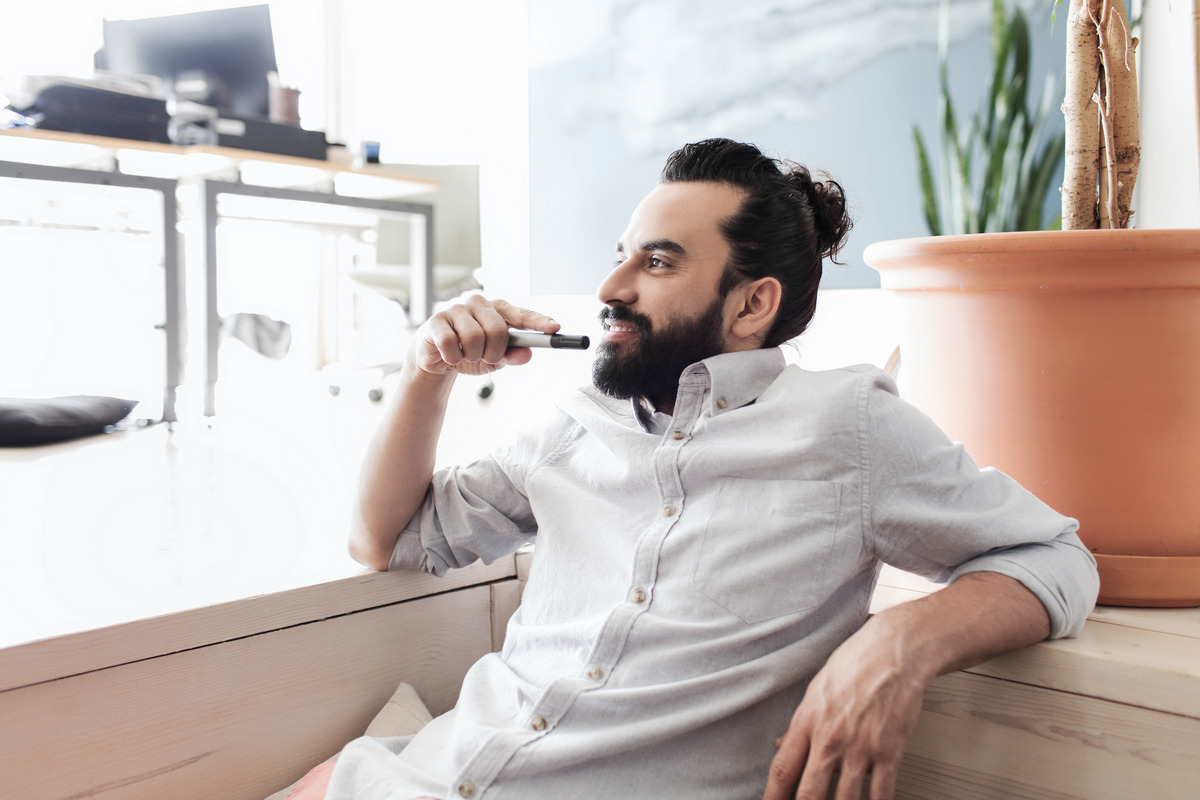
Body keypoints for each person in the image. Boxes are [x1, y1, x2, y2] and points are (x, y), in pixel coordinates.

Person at [301, 138, 1099, 800]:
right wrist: (426, 370)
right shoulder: (571, 425)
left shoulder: (847, 426)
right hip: (413, 778)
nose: (611, 288)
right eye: (620, 257)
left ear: (751, 305)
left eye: (656, 263)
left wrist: (896, 643)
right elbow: (387, 540)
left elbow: (1054, 557)